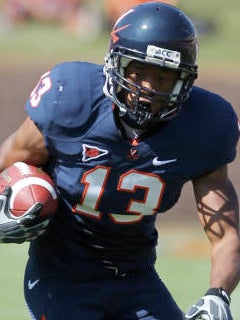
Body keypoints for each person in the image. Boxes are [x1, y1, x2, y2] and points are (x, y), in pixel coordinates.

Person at [0, 2, 239, 319]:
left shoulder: (205, 125)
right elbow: (10, 159)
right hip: (61, 276)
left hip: (135, 278)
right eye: (139, 73)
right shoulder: (71, 96)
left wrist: (218, 295)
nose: (148, 90)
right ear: (116, 65)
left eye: (164, 78)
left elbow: (226, 234)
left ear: (185, 82)